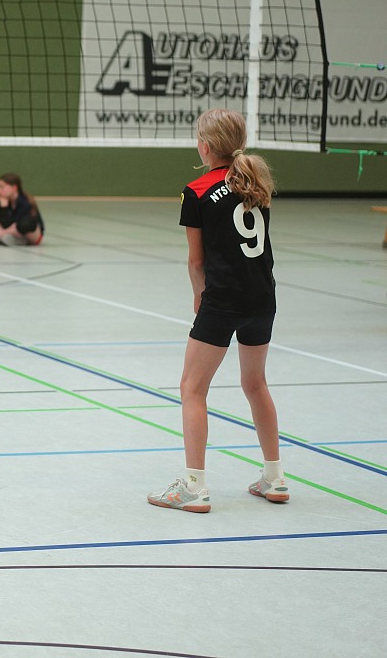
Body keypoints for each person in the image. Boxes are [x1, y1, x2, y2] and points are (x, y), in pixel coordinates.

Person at [148, 108, 287, 514]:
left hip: (223, 299)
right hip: (262, 297)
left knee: (192, 388)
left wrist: (199, 296)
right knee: (255, 383)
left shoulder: (196, 191)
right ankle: (275, 477)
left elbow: (196, 262)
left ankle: (193, 487)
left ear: (205, 146)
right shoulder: (255, 181)